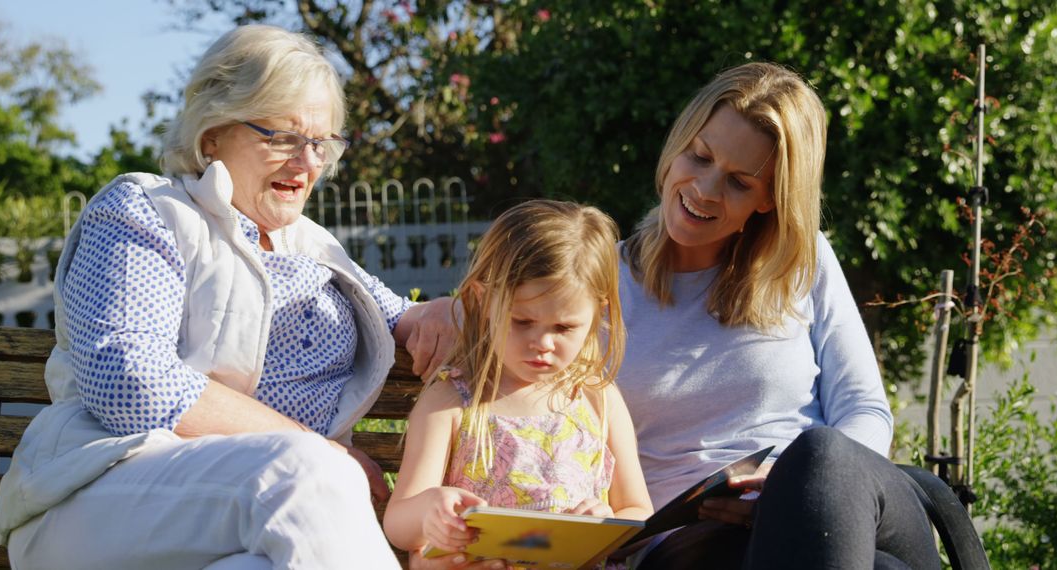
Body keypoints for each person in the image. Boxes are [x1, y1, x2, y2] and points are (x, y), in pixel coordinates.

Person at [0, 25, 456, 569]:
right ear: (211, 133)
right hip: (97, 493)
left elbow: (404, 316)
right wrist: (315, 446)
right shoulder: (146, 211)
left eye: (322, 142)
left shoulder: (315, 248)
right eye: (281, 136)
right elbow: (127, 377)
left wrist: (441, 310)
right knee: (304, 471)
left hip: (249, 525)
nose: (307, 162)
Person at [612, 61, 941, 569]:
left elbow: (866, 410)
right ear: (680, 142)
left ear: (771, 200)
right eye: (699, 156)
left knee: (822, 459)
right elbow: (510, 330)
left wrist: (791, 487)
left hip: (832, 502)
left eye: (740, 183)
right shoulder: (599, 282)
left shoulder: (805, 261)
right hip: (692, 545)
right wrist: (450, 314)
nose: (704, 189)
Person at [383, 200, 653, 565]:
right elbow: (398, 521)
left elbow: (639, 510)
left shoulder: (596, 398)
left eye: (564, 327)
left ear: (597, 314)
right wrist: (430, 511)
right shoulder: (453, 401)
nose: (542, 343)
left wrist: (606, 521)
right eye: (522, 321)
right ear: (481, 300)